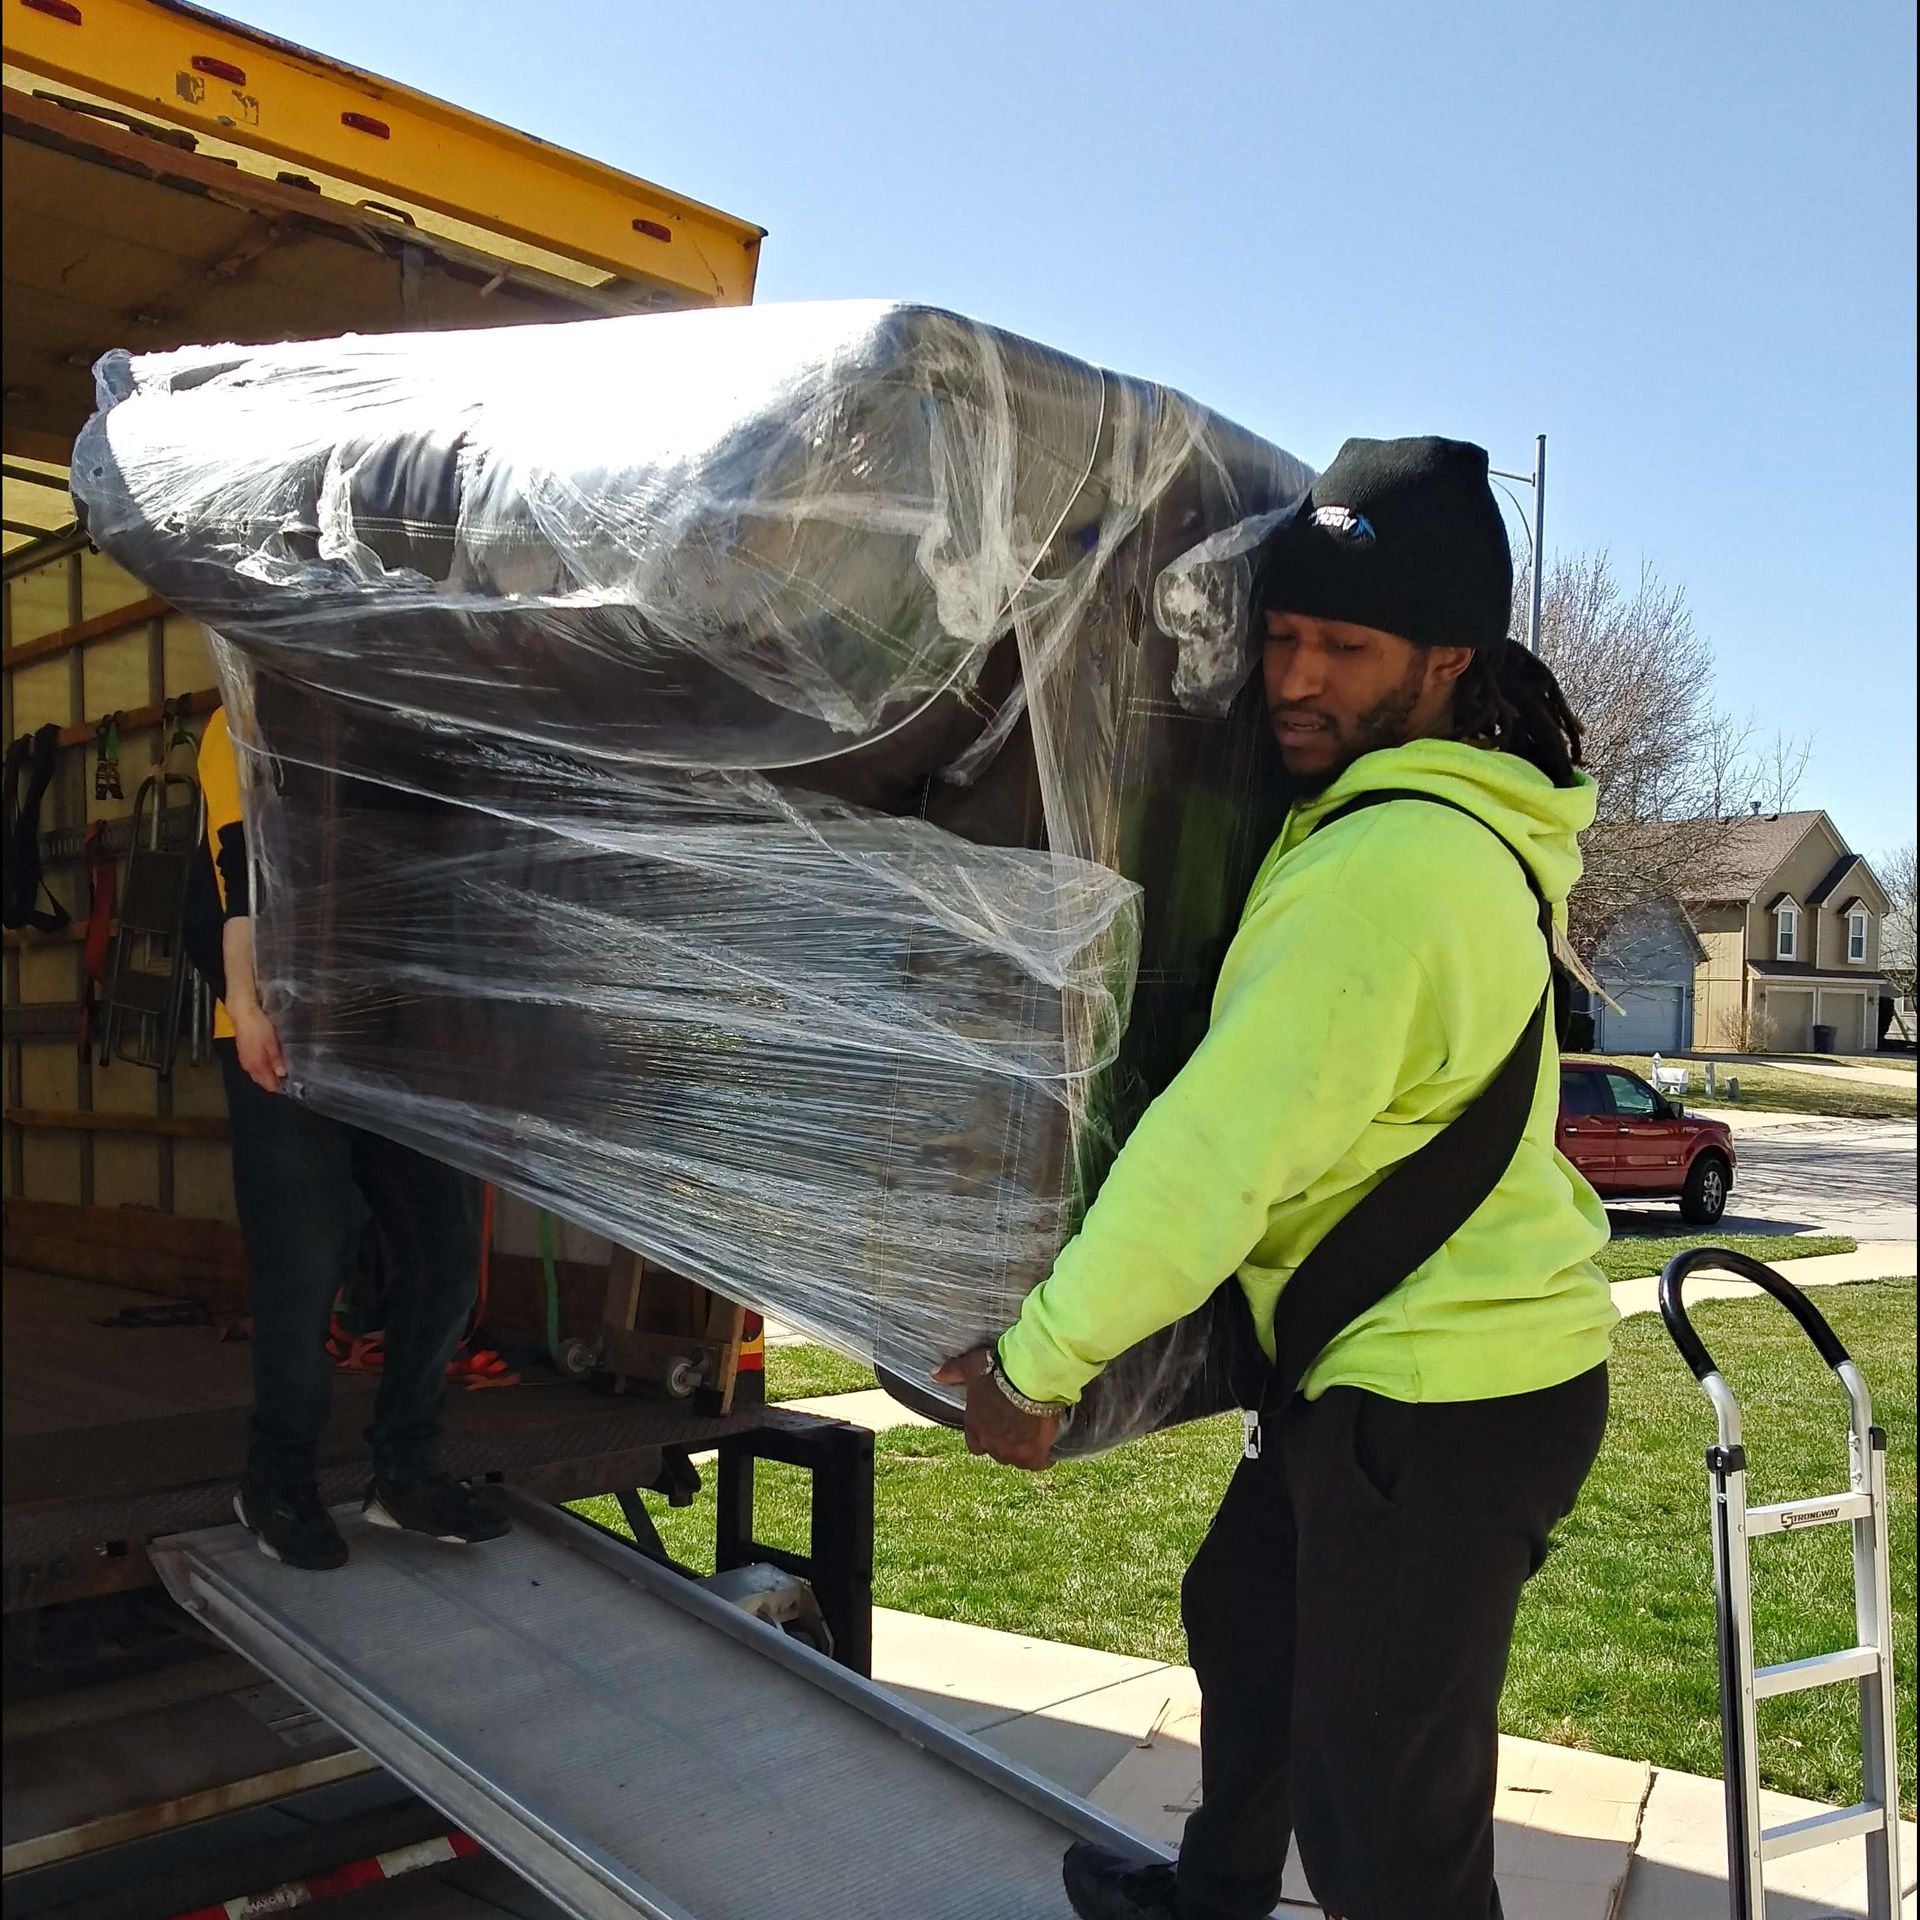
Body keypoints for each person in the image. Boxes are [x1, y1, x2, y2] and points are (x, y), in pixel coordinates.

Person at [934, 437, 1617, 1920]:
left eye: (1345, 648)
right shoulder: (1418, 822)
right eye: (1285, 635)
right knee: (1247, 1622)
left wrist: (1039, 1367)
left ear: (1447, 659)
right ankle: (1215, 1897)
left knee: (1390, 1838)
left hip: (1439, 1397)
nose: (1295, 679)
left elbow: (1214, 1158)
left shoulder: (1385, 873)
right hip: (1408, 1371)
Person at [186, 702, 510, 1570]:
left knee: (445, 1248)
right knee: (306, 1261)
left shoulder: (404, 724)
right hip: (279, 1026)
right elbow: (241, 871)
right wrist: (248, 1007)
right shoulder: (245, 716)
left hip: (398, 1033)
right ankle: (277, 1478)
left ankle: (406, 1469)